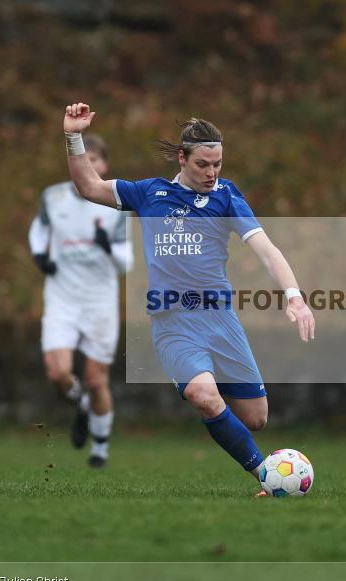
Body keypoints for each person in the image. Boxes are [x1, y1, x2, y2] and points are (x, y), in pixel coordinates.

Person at [60, 104, 315, 493]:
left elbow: (266, 249)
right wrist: (73, 136)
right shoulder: (150, 193)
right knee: (203, 396)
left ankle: (247, 443)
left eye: (218, 164)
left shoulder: (227, 196)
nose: (212, 173)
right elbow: (90, 187)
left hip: (220, 319)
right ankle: (265, 475)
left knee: (256, 417)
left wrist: (294, 297)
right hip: (173, 323)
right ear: (182, 158)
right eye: (203, 164)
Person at [28, 134, 133, 468]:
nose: (89, 164)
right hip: (62, 297)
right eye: (83, 157)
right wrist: (40, 255)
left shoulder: (116, 204)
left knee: (95, 379)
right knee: (58, 374)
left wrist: (107, 246)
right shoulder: (53, 197)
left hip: (99, 300)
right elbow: (39, 230)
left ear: (104, 164)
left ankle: (99, 448)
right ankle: (83, 407)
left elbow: (126, 262)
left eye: (96, 159)